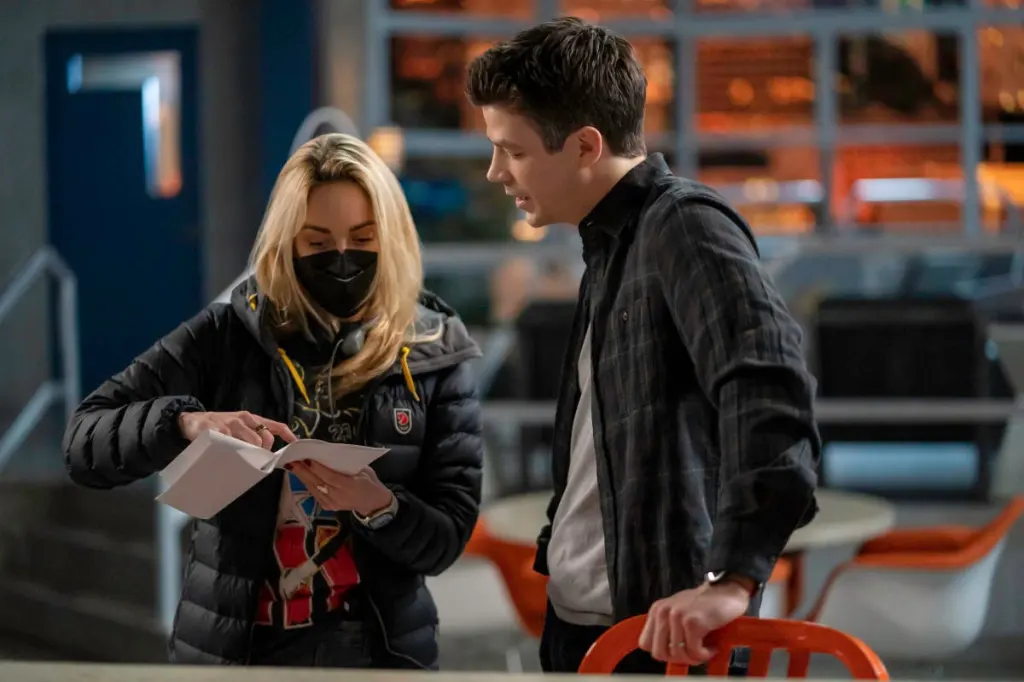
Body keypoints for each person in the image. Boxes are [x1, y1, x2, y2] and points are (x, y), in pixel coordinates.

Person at [466, 17, 820, 675]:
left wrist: (732, 580)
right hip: (588, 627)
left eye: (511, 150)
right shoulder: (609, 249)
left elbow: (769, 391)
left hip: (661, 641)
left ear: (584, 146)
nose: (496, 172)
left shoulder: (682, 226)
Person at [62, 133, 484, 669]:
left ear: (393, 236)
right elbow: (83, 443)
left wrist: (379, 505)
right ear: (287, 244)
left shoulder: (434, 350)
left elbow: (447, 537)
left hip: (376, 652)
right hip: (239, 650)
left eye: (363, 237)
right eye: (317, 242)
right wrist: (184, 422)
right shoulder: (228, 336)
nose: (342, 259)